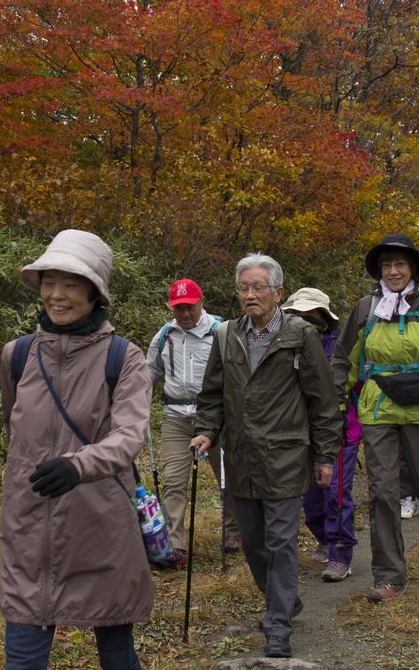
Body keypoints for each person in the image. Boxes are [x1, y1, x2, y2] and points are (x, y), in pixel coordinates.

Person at [0, 230, 153, 669]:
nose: (56, 295)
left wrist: (76, 465)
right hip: (29, 525)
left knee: (117, 653)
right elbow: (13, 427)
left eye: (70, 284)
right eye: (49, 282)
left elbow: (129, 436)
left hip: (100, 523)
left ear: (94, 292)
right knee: (23, 658)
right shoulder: (18, 355)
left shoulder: (124, 358)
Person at [191, 254, 341, 659]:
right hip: (239, 457)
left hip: (285, 455)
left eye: (258, 287)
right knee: (254, 544)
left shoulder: (300, 334)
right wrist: (206, 431)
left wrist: (325, 455)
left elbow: (323, 401)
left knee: (280, 543)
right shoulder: (226, 336)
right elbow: (211, 396)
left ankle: (278, 626)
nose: (250, 294)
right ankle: (286, 600)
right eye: (244, 287)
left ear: (277, 292)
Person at [331, 234, 419, 604]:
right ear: (379, 270)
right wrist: (335, 400)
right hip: (379, 406)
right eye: (387, 265)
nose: (393, 271)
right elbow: (342, 358)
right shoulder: (365, 308)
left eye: (400, 264)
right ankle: (389, 575)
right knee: (383, 492)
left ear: (413, 269)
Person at [145, 278, 239, 565]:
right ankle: (175, 547)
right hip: (176, 417)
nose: (184, 314)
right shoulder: (166, 334)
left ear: (201, 302)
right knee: (173, 481)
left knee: (228, 477)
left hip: (215, 417)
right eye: (178, 308)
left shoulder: (220, 332)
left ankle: (234, 531)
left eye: (189, 307)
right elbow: (150, 371)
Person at [282, 287, 358, 583]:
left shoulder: (340, 348)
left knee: (336, 493)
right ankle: (324, 538)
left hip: (340, 429)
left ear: (323, 317)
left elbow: (356, 382)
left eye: (310, 315)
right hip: (301, 430)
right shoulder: (286, 344)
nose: (305, 321)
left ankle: (341, 552)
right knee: (310, 496)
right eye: (298, 315)